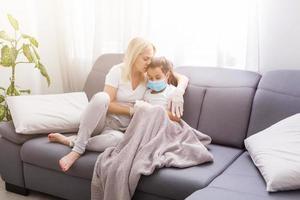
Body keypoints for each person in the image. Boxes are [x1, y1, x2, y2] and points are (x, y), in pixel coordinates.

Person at [48, 37, 189, 172]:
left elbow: (179, 76)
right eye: (146, 59)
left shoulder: (148, 76)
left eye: (151, 59)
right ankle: (77, 150)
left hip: (119, 130)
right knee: (102, 97)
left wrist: (179, 92)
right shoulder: (117, 71)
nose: (149, 62)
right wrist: (133, 110)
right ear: (134, 55)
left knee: (119, 140)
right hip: (101, 121)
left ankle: (71, 141)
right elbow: (108, 104)